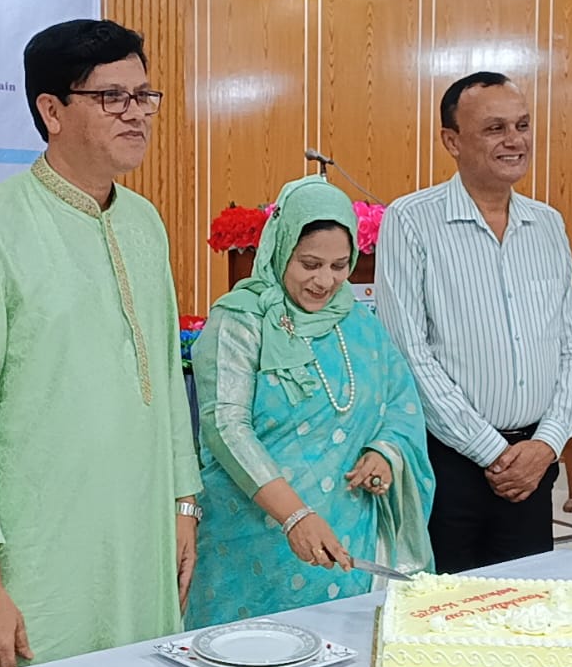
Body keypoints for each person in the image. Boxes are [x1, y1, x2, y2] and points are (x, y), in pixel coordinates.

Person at [0, 19, 200, 667]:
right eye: (112, 97)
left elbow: (167, 384)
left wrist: (182, 506)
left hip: (139, 540)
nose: (136, 113)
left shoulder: (144, 224)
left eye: (144, 95)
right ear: (51, 109)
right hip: (39, 553)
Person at [184, 176, 435, 628]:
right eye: (309, 264)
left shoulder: (359, 322)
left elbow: (400, 401)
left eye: (340, 266)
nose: (325, 281)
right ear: (281, 249)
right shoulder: (240, 320)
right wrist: (294, 515)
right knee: (249, 658)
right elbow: (226, 427)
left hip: (345, 536)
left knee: (343, 654)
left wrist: (384, 452)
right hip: (252, 541)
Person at [376, 71, 572, 574]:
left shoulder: (547, 224)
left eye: (522, 125)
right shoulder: (411, 221)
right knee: (449, 608)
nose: (514, 140)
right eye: (495, 128)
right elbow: (409, 353)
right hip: (450, 462)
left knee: (524, 603)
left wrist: (547, 444)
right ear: (452, 141)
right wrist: (493, 451)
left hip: (534, 462)